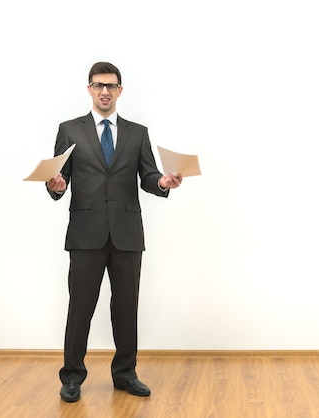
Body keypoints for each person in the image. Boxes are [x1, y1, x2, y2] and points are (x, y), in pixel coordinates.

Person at [46, 62, 182, 403]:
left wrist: (162, 182)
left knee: (126, 308)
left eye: (110, 85)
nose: (104, 91)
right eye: (97, 85)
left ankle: (125, 374)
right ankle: (72, 377)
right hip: (85, 234)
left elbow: (149, 176)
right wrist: (57, 186)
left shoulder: (138, 133)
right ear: (89, 89)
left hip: (126, 234)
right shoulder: (69, 130)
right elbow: (57, 177)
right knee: (80, 308)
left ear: (120, 90)